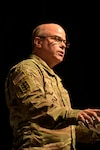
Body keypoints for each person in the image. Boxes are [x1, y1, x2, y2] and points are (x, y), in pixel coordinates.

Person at [5, 22, 100, 150]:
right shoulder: (26, 69)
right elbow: (35, 108)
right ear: (38, 42)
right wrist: (75, 115)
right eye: (57, 39)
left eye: (65, 43)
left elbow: (66, 127)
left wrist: (96, 129)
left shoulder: (55, 79)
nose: (63, 45)